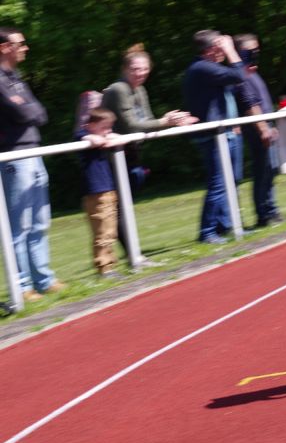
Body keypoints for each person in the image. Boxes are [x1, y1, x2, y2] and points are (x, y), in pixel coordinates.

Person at [183, 30, 271, 243]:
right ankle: (207, 232)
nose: (223, 49)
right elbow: (239, 75)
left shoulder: (210, 68)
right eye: (220, 46)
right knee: (218, 183)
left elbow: (236, 82)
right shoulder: (202, 67)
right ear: (211, 49)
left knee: (229, 181)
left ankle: (227, 226)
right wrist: (231, 51)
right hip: (214, 136)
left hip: (227, 132)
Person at [0, 27, 65, 302]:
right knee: (20, 224)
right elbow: (22, 112)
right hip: (14, 157)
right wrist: (27, 109)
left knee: (40, 220)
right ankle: (22, 286)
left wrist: (27, 108)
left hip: (34, 152)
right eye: (21, 44)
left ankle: (44, 280)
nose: (26, 48)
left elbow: (39, 113)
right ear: (5, 48)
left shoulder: (15, 79)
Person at [102, 44, 196, 193]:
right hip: (111, 154)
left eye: (145, 69)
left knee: (135, 182)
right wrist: (165, 122)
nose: (140, 73)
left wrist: (173, 121)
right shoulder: (119, 89)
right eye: (135, 69)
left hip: (130, 151)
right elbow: (132, 126)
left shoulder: (140, 89)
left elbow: (148, 121)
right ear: (125, 69)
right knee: (124, 191)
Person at [234, 33, 282, 228]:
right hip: (256, 128)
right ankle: (264, 214)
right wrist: (263, 128)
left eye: (256, 50)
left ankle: (270, 208)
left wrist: (270, 125)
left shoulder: (252, 72)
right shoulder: (241, 75)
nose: (255, 54)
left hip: (266, 124)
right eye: (250, 51)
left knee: (271, 170)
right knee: (263, 170)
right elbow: (249, 104)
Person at [76, 107, 123, 277]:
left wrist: (108, 136)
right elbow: (85, 137)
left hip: (108, 190)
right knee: (102, 232)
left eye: (110, 127)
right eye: (104, 127)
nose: (108, 131)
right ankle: (104, 268)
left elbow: (116, 137)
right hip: (95, 192)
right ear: (90, 125)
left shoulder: (101, 136)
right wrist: (93, 137)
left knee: (111, 231)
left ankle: (111, 265)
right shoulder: (84, 137)